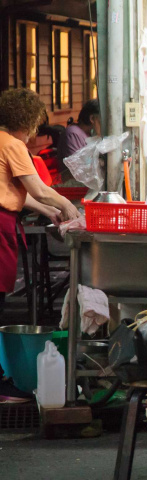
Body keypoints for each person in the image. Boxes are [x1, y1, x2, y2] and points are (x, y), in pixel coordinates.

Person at [0, 88, 80, 401]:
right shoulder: (13, 145)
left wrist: (51, 211)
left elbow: (20, 192)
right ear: (30, 121)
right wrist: (68, 208)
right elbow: (39, 188)